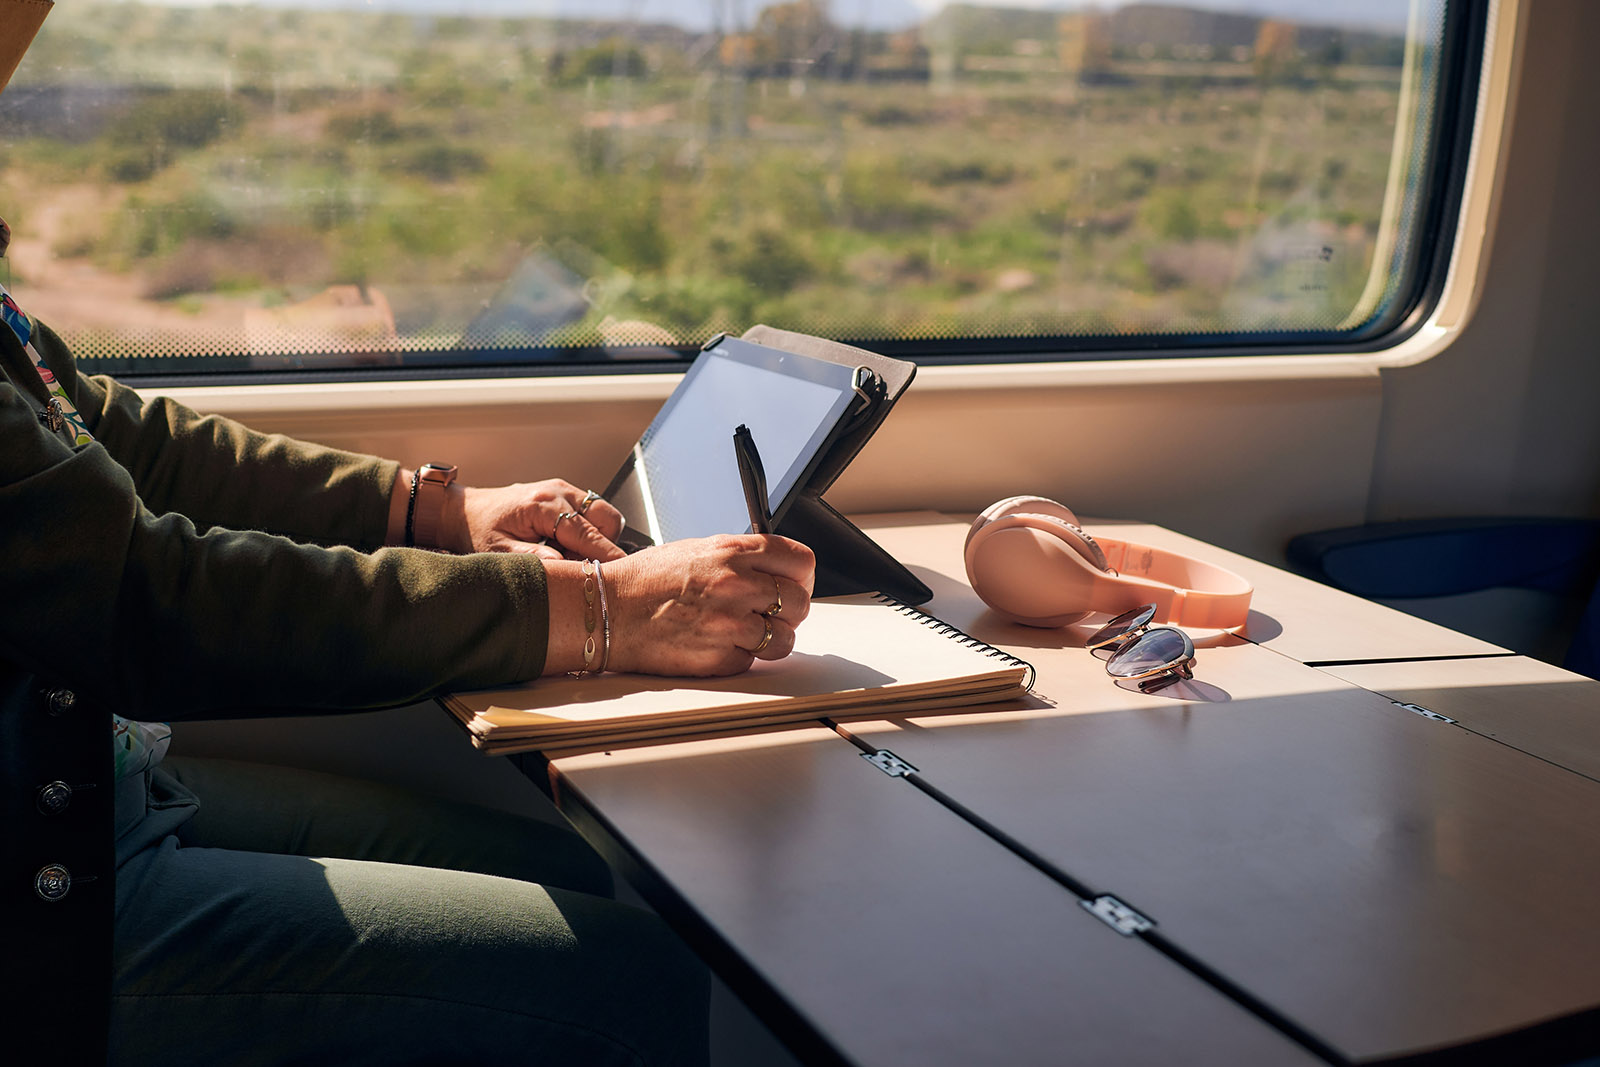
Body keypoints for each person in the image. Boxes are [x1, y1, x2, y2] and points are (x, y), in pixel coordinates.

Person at [0, 7, 814, 1063]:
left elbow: (109, 431)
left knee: (559, 871)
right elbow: (143, 598)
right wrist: (602, 612)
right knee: (626, 977)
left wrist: (435, 507)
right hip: (39, 878)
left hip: (83, 776)